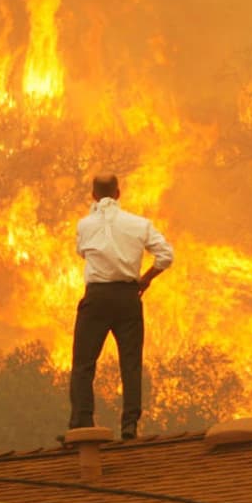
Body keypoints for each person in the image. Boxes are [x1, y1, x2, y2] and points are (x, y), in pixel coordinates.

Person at [68, 173, 173, 439]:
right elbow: (165, 256)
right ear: (118, 193)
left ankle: (82, 424)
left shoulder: (84, 225)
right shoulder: (140, 224)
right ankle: (129, 425)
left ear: (93, 195)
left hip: (97, 297)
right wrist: (146, 279)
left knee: (83, 363)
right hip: (128, 297)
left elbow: (82, 252)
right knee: (131, 363)